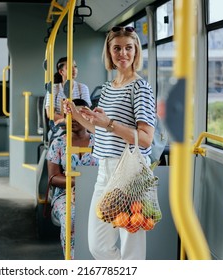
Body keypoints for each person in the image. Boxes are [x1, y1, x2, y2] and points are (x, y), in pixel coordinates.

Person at [64, 26, 156, 260]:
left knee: (131, 248)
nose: (122, 53)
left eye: (128, 48)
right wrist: (75, 114)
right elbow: (101, 131)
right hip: (104, 171)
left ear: (136, 52)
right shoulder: (107, 88)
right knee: (98, 245)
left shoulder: (140, 88)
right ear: (109, 52)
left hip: (129, 172)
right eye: (117, 48)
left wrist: (110, 123)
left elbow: (145, 140)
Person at [46, 98, 98, 259]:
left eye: (78, 115)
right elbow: (53, 177)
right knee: (72, 216)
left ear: (88, 117)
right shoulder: (58, 143)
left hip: (97, 192)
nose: (74, 120)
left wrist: (88, 186)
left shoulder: (100, 143)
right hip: (65, 194)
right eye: (71, 115)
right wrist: (80, 182)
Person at [45, 57, 91, 126]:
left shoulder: (83, 88)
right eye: (69, 67)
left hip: (80, 126)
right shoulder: (53, 88)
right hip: (61, 125)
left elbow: (87, 111)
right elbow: (50, 113)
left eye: (75, 66)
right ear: (61, 72)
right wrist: (66, 121)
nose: (74, 70)